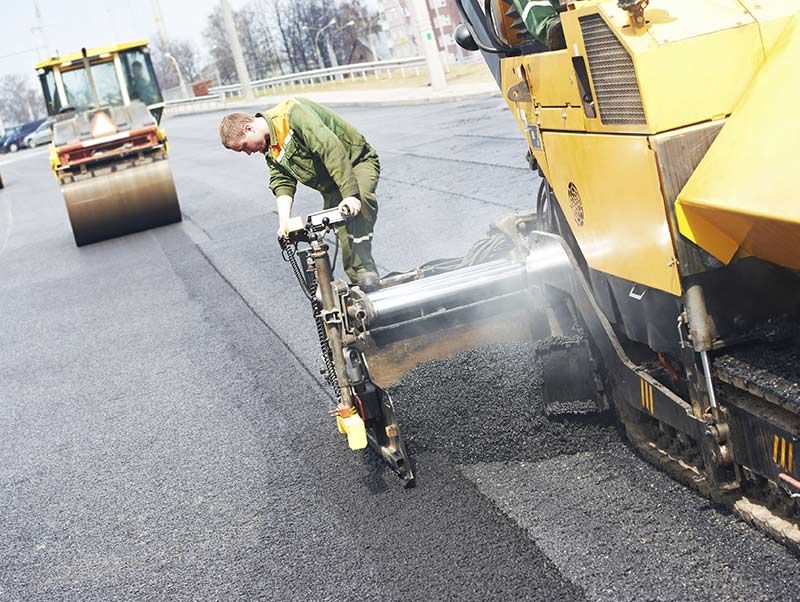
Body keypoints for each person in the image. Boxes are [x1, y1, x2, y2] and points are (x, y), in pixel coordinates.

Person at [219, 98, 381, 290]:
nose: (248, 153)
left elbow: (330, 149)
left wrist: (350, 195)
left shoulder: (292, 115)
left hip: (356, 163)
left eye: (244, 146)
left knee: (358, 204)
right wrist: (284, 223)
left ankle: (365, 272)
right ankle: (362, 289)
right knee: (343, 233)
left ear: (248, 129)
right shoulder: (270, 145)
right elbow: (282, 180)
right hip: (332, 185)